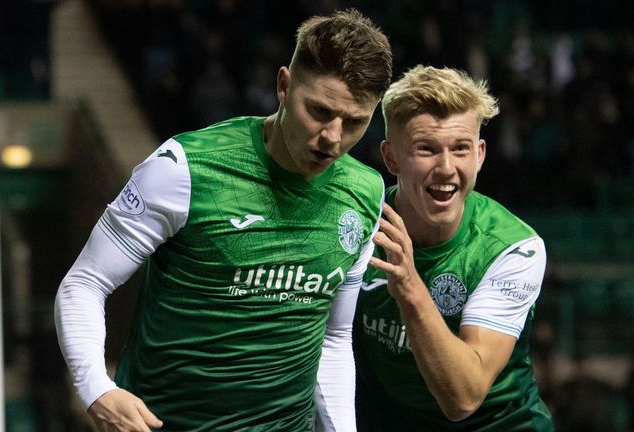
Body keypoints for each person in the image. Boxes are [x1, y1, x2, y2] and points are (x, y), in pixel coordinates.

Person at [54, 9, 392, 431]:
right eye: (320, 111)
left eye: (355, 122)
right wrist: (95, 389)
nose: (333, 138)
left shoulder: (366, 192)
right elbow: (85, 283)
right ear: (283, 86)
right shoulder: (185, 169)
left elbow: (333, 336)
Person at [353, 65, 554, 431]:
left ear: (479, 154)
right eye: (426, 149)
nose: (446, 168)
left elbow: (463, 397)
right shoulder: (355, 227)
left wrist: (411, 290)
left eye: (460, 149)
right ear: (391, 157)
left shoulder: (512, 247)